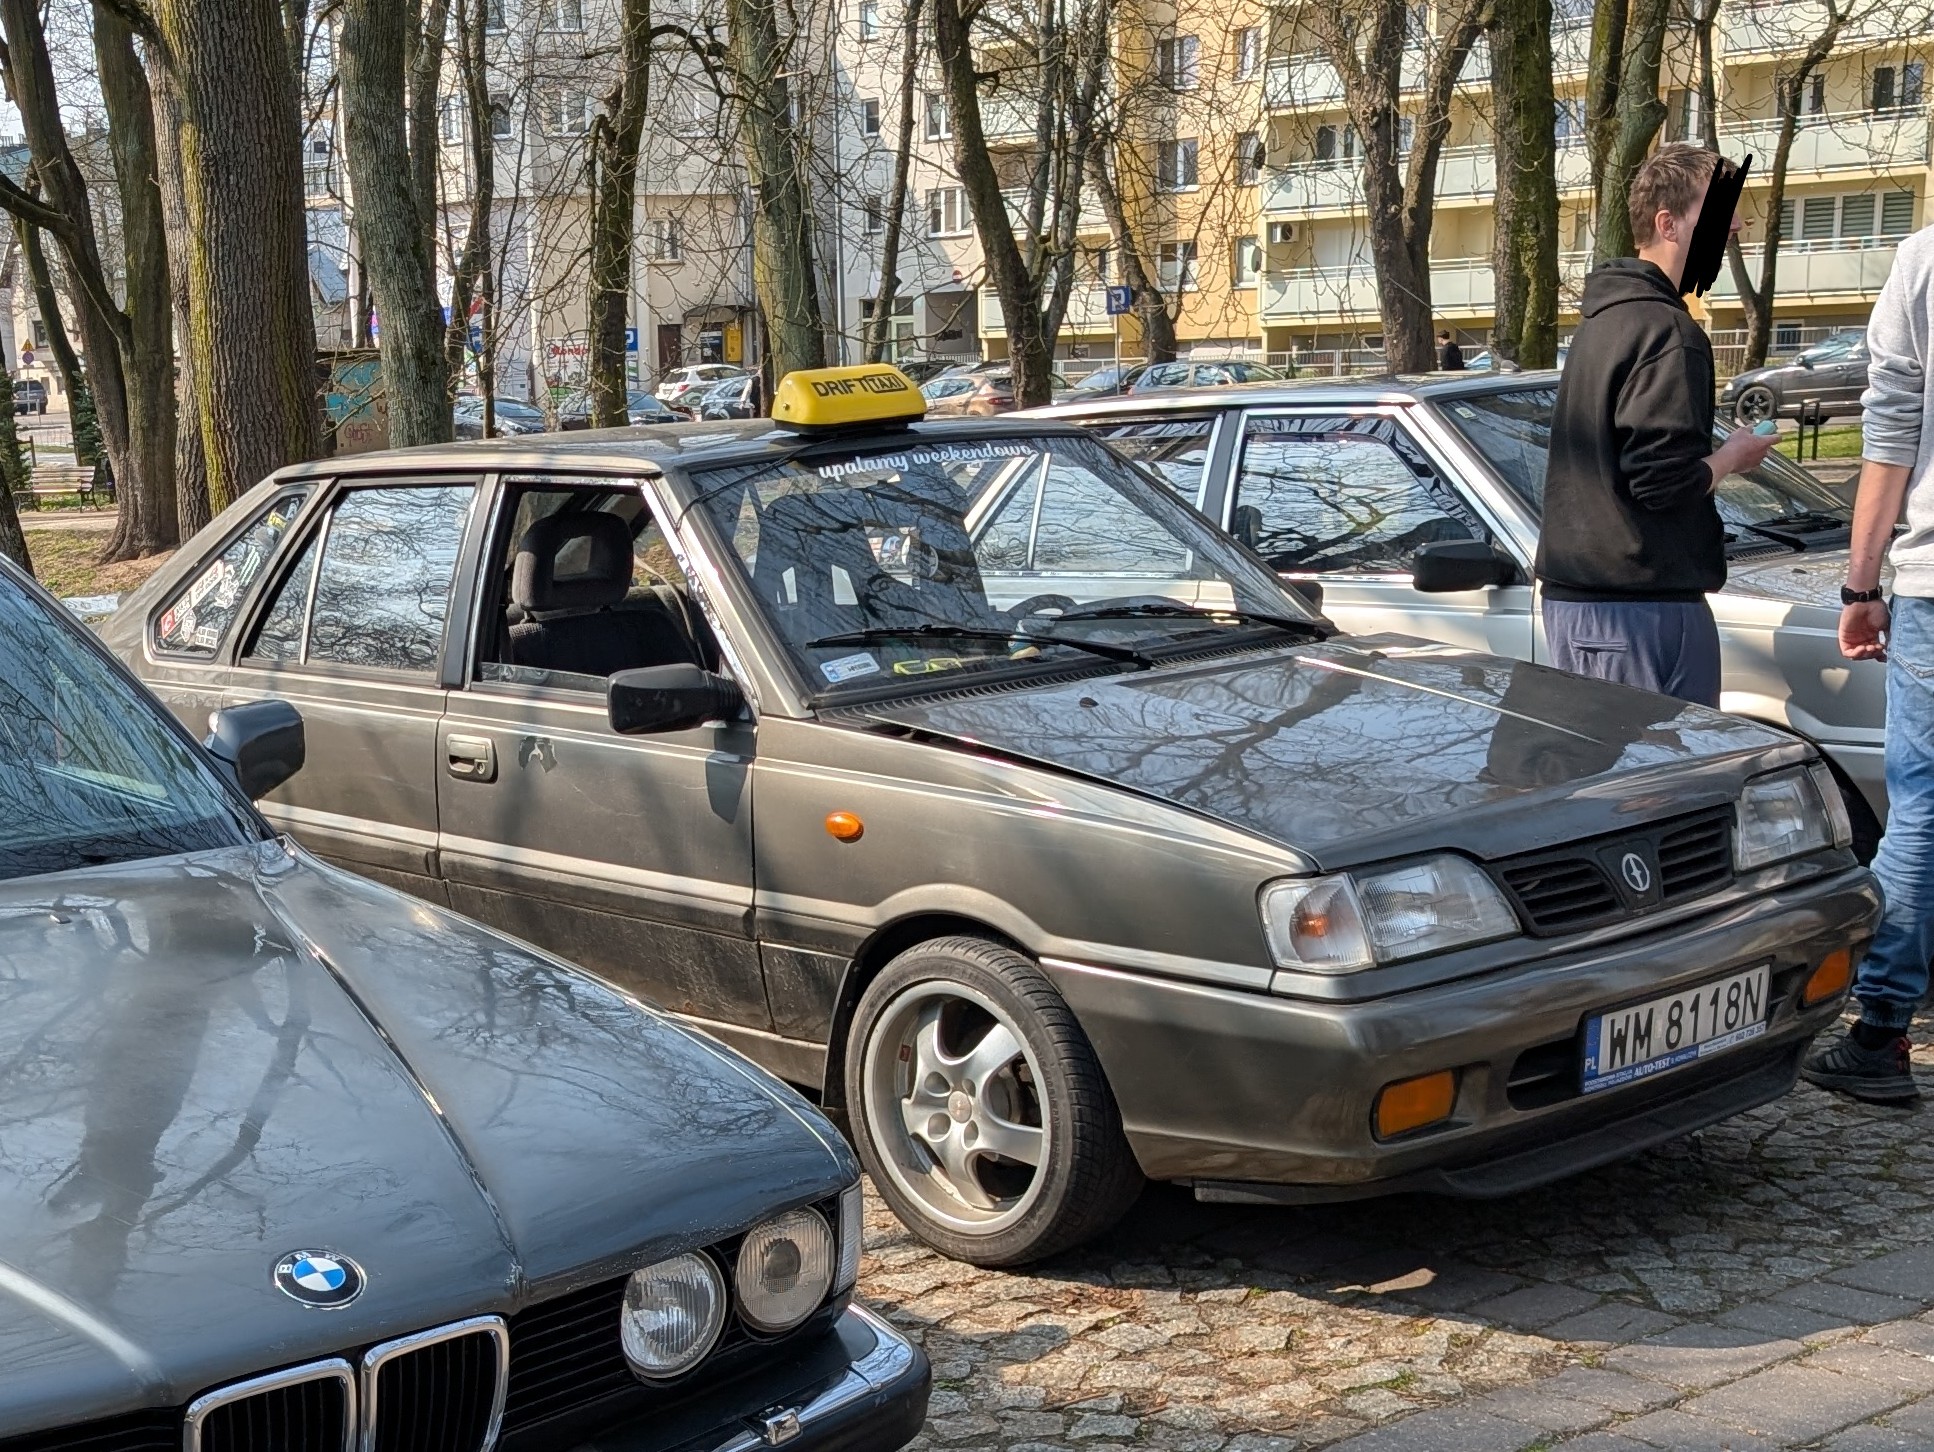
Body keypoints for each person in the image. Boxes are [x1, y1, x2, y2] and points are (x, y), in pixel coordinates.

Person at [1535, 142, 1776, 706]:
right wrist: (1733, 457)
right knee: (1659, 787)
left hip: (1589, 603)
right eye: (1718, 213)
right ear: (1668, 224)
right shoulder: (1669, 332)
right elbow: (1661, 481)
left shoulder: (1604, 321)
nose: (1737, 225)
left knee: (1607, 784)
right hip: (1640, 609)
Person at [1798, 225, 1934, 1103]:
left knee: (1921, 804)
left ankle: (1880, 1034)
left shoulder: (1924, 262)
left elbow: (1888, 433)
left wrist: (1860, 586)